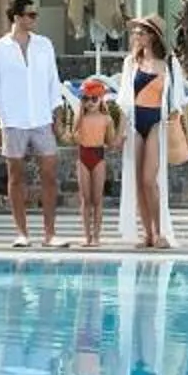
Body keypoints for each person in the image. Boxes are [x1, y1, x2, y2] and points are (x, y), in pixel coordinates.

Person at [0, 0, 65, 248]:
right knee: (15, 176)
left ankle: (50, 234)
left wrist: (58, 115)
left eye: (35, 15)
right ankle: (22, 232)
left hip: (41, 117)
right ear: (16, 17)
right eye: (31, 15)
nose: (35, 19)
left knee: (49, 174)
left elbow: (53, 80)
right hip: (13, 119)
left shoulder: (44, 45)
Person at [115, 14, 188, 251]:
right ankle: (147, 233)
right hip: (135, 121)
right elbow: (124, 101)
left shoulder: (169, 64)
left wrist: (187, 133)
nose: (136, 35)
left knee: (150, 180)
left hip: (158, 122)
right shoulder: (131, 62)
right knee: (138, 180)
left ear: (152, 36)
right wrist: (119, 132)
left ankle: (159, 233)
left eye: (141, 32)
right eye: (135, 32)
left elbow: (178, 101)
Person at [72, 79, 116, 248]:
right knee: (85, 199)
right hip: (83, 156)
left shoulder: (107, 119)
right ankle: (86, 236)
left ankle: (96, 236)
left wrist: (120, 135)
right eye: (86, 99)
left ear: (101, 99)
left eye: (94, 99)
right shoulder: (80, 117)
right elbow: (72, 136)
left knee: (97, 199)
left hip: (98, 157)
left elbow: (111, 142)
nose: (90, 103)